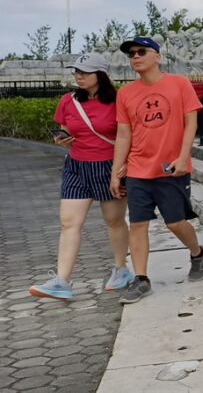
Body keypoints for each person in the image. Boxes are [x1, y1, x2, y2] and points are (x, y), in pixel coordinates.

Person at [110, 36, 203, 304]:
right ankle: (141, 279)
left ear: (157, 56)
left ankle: (198, 253)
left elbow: (191, 124)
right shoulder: (126, 94)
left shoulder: (179, 84)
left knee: (175, 222)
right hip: (139, 169)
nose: (135, 57)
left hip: (171, 168)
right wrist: (116, 171)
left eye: (141, 52)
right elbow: (123, 134)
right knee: (138, 223)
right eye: (131, 54)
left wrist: (183, 156)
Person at [29, 53, 132, 301]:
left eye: (84, 72)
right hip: (76, 166)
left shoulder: (119, 100)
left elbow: (128, 135)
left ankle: (121, 269)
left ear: (101, 75)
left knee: (113, 221)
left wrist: (123, 167)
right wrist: (61, 138)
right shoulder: (68, 100)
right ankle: (62, 281)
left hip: (109, 167)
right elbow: (65, 130)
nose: (78, 76)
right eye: (76, 71)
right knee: (68, 222)